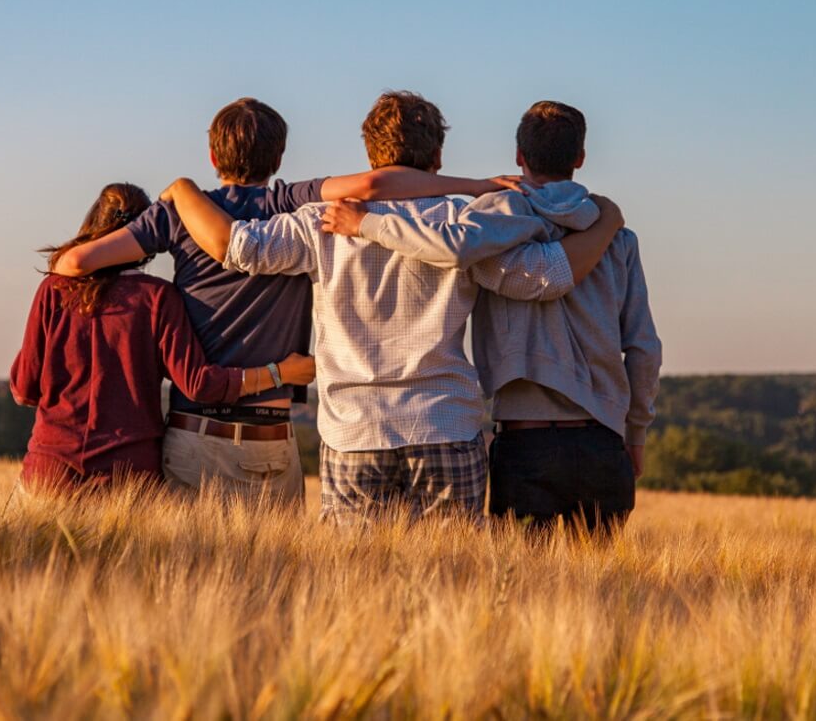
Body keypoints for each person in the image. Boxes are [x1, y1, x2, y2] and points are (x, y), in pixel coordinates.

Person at [161, 91, 624, 524]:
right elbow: (544, 278)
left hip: (354, 431)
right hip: (445, 424)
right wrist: (606, 224)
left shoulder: (319, 222)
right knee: (452, 584)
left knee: (356, 586)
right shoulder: (465, 223)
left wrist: (183, 191)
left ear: (370, 156)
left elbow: (237, 248)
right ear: (437, 158)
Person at [48, 97, 523, 504]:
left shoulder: (179, 214)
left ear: (212, 154)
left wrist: (175, 197)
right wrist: (475, 186)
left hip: (196, 432)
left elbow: (73, 265)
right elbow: (375, 186)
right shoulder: (290, 203)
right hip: (273, 437)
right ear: (278, 158)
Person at [321, 100, 661, 534]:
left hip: (525, 442)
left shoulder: (489, 224)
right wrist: (635, 434)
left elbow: (454, 248)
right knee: (600, 594)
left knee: (516, 591)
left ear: (519, 156)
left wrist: (367, 224)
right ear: (580, 158)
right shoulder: (617, 237)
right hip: (603, 440)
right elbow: (645, 349)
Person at [10, 182, 315, 492]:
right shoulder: (157, 298)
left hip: (49, 471)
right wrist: (280, 373)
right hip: (128, 477)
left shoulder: (54, 290)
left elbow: (24, 390)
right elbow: (199, 384)